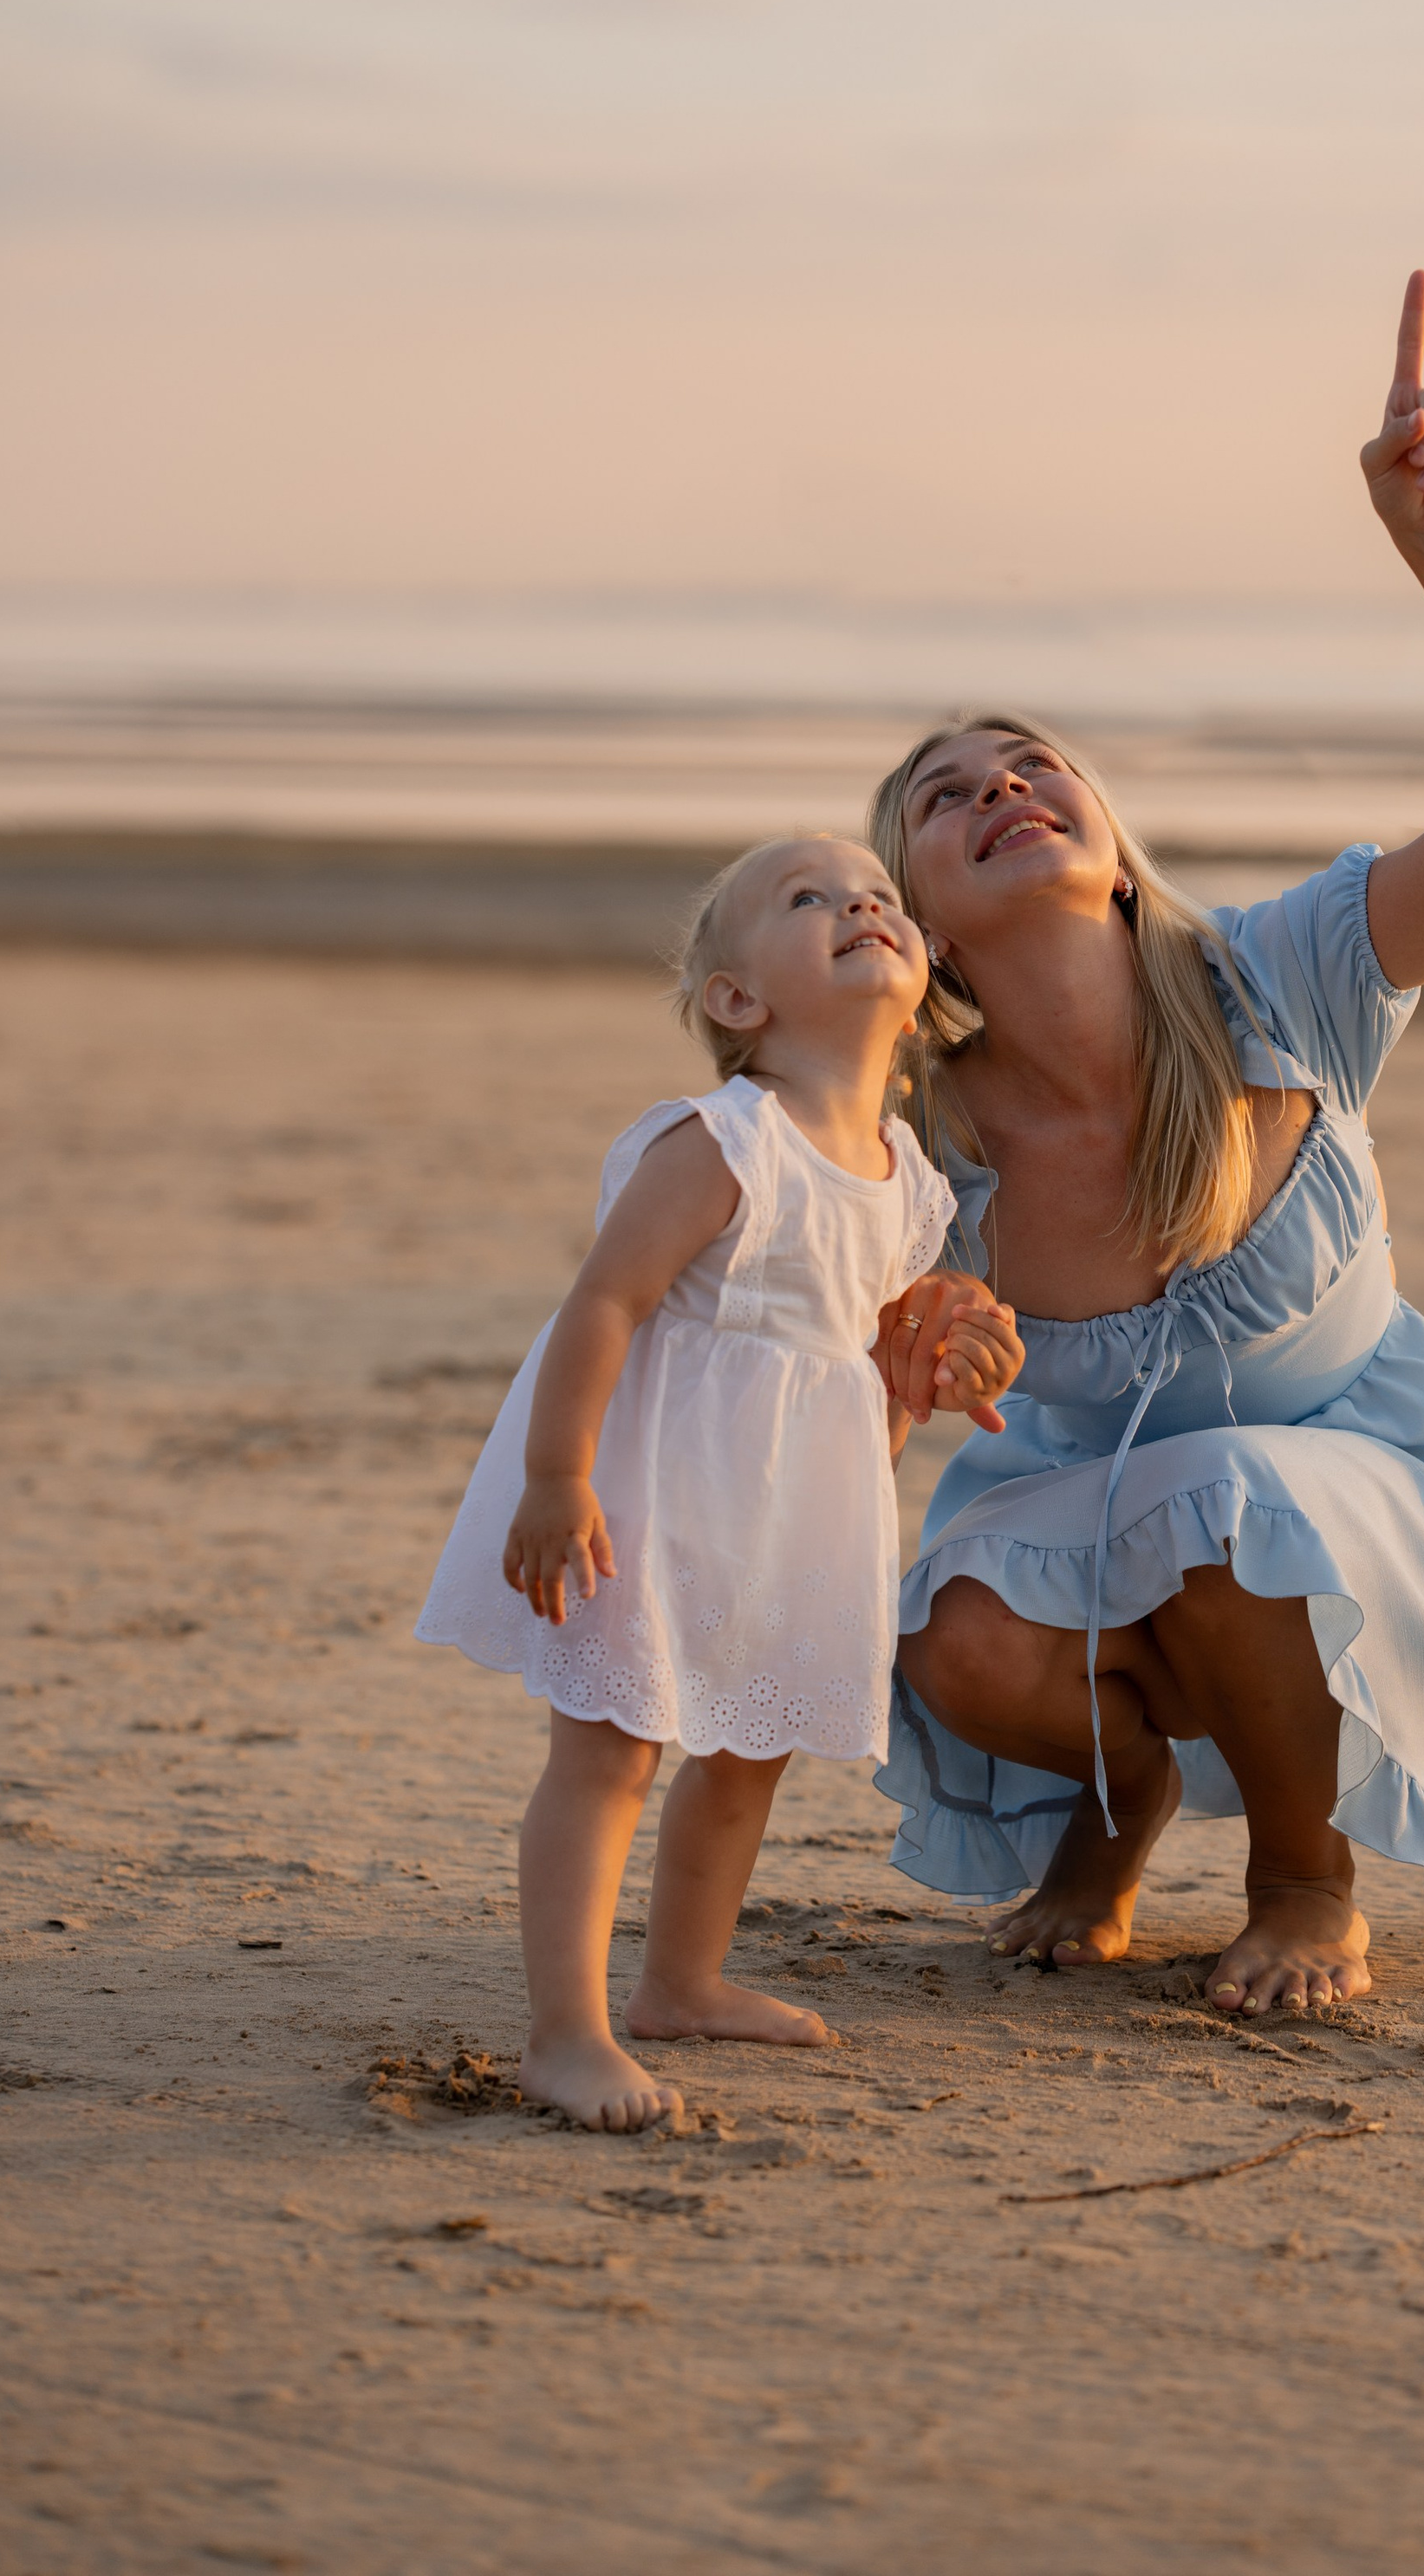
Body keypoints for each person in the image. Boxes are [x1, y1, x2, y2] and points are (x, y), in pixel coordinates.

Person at [867, 272, 1424, 2021]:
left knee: (1223, 1501)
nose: (1000, 786)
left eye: (1031, 762)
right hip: (1092, 1508)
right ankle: (1108, 1828)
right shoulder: (927, 1143)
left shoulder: (1276, 982)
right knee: (950, 1639)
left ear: (1112, 846)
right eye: (944, 796)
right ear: (917, 922)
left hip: (1356, 1491)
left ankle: (1301, 1878)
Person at [416, 834, 1023, 2130]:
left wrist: (923, 1377)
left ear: (922, 968)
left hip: (789, 1503)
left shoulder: (908, 1184)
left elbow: (851, 1373)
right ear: (738, 1001)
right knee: (614, 1747)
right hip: (648, 1485)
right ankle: (565, 2032)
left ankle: (682, 1981)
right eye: (811, 900)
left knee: (752, 1750)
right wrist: (556, 1474)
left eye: (879, 895)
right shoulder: (724, 1140)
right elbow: (605, 1302)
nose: (862, 903)